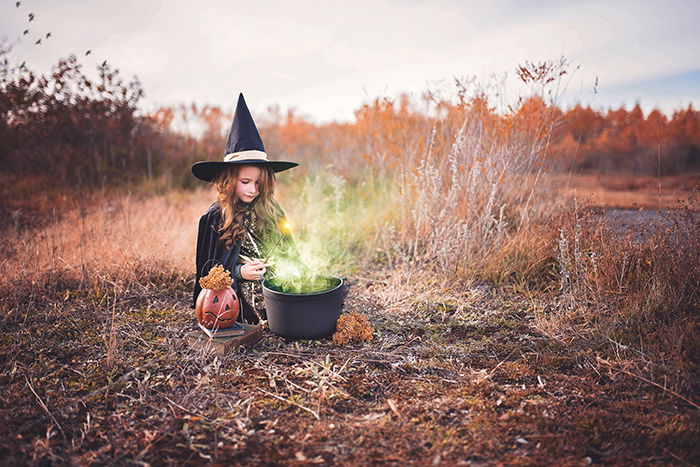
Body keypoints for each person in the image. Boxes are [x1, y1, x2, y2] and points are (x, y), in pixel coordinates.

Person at [191, 93, 300, 324]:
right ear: (230, 181)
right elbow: (207, 272)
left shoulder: (271, 208)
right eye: (245, 182)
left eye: (258, 183)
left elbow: (288, 250)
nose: (252, 190)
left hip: (277, 290)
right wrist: (240, 272)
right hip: (236, 300)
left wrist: (286, 269)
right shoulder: (215, 217)